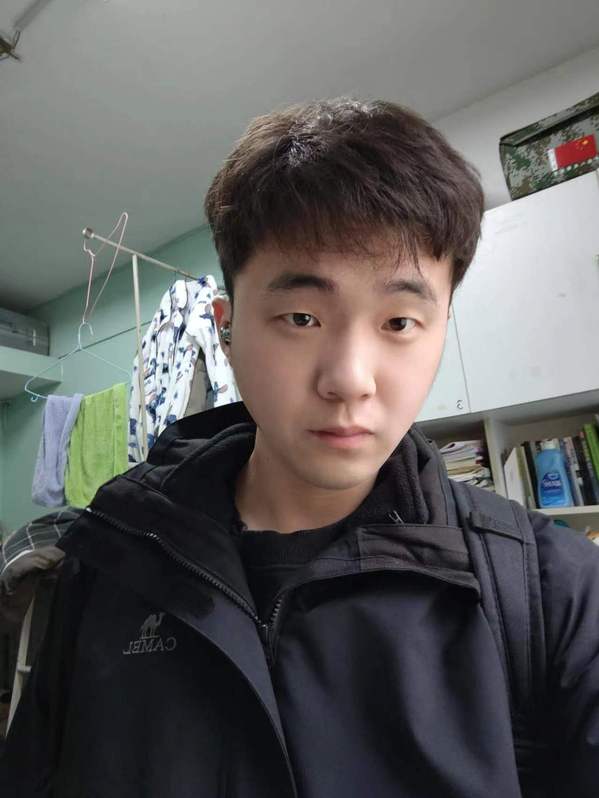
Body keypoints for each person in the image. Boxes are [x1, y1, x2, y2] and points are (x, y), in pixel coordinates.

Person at [2, 98, 598, 797]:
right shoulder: (110, 559)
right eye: (302, 317)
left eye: (399, 322)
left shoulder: (552, 590)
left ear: (441, 327)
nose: (349, 379)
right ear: (227, 330)